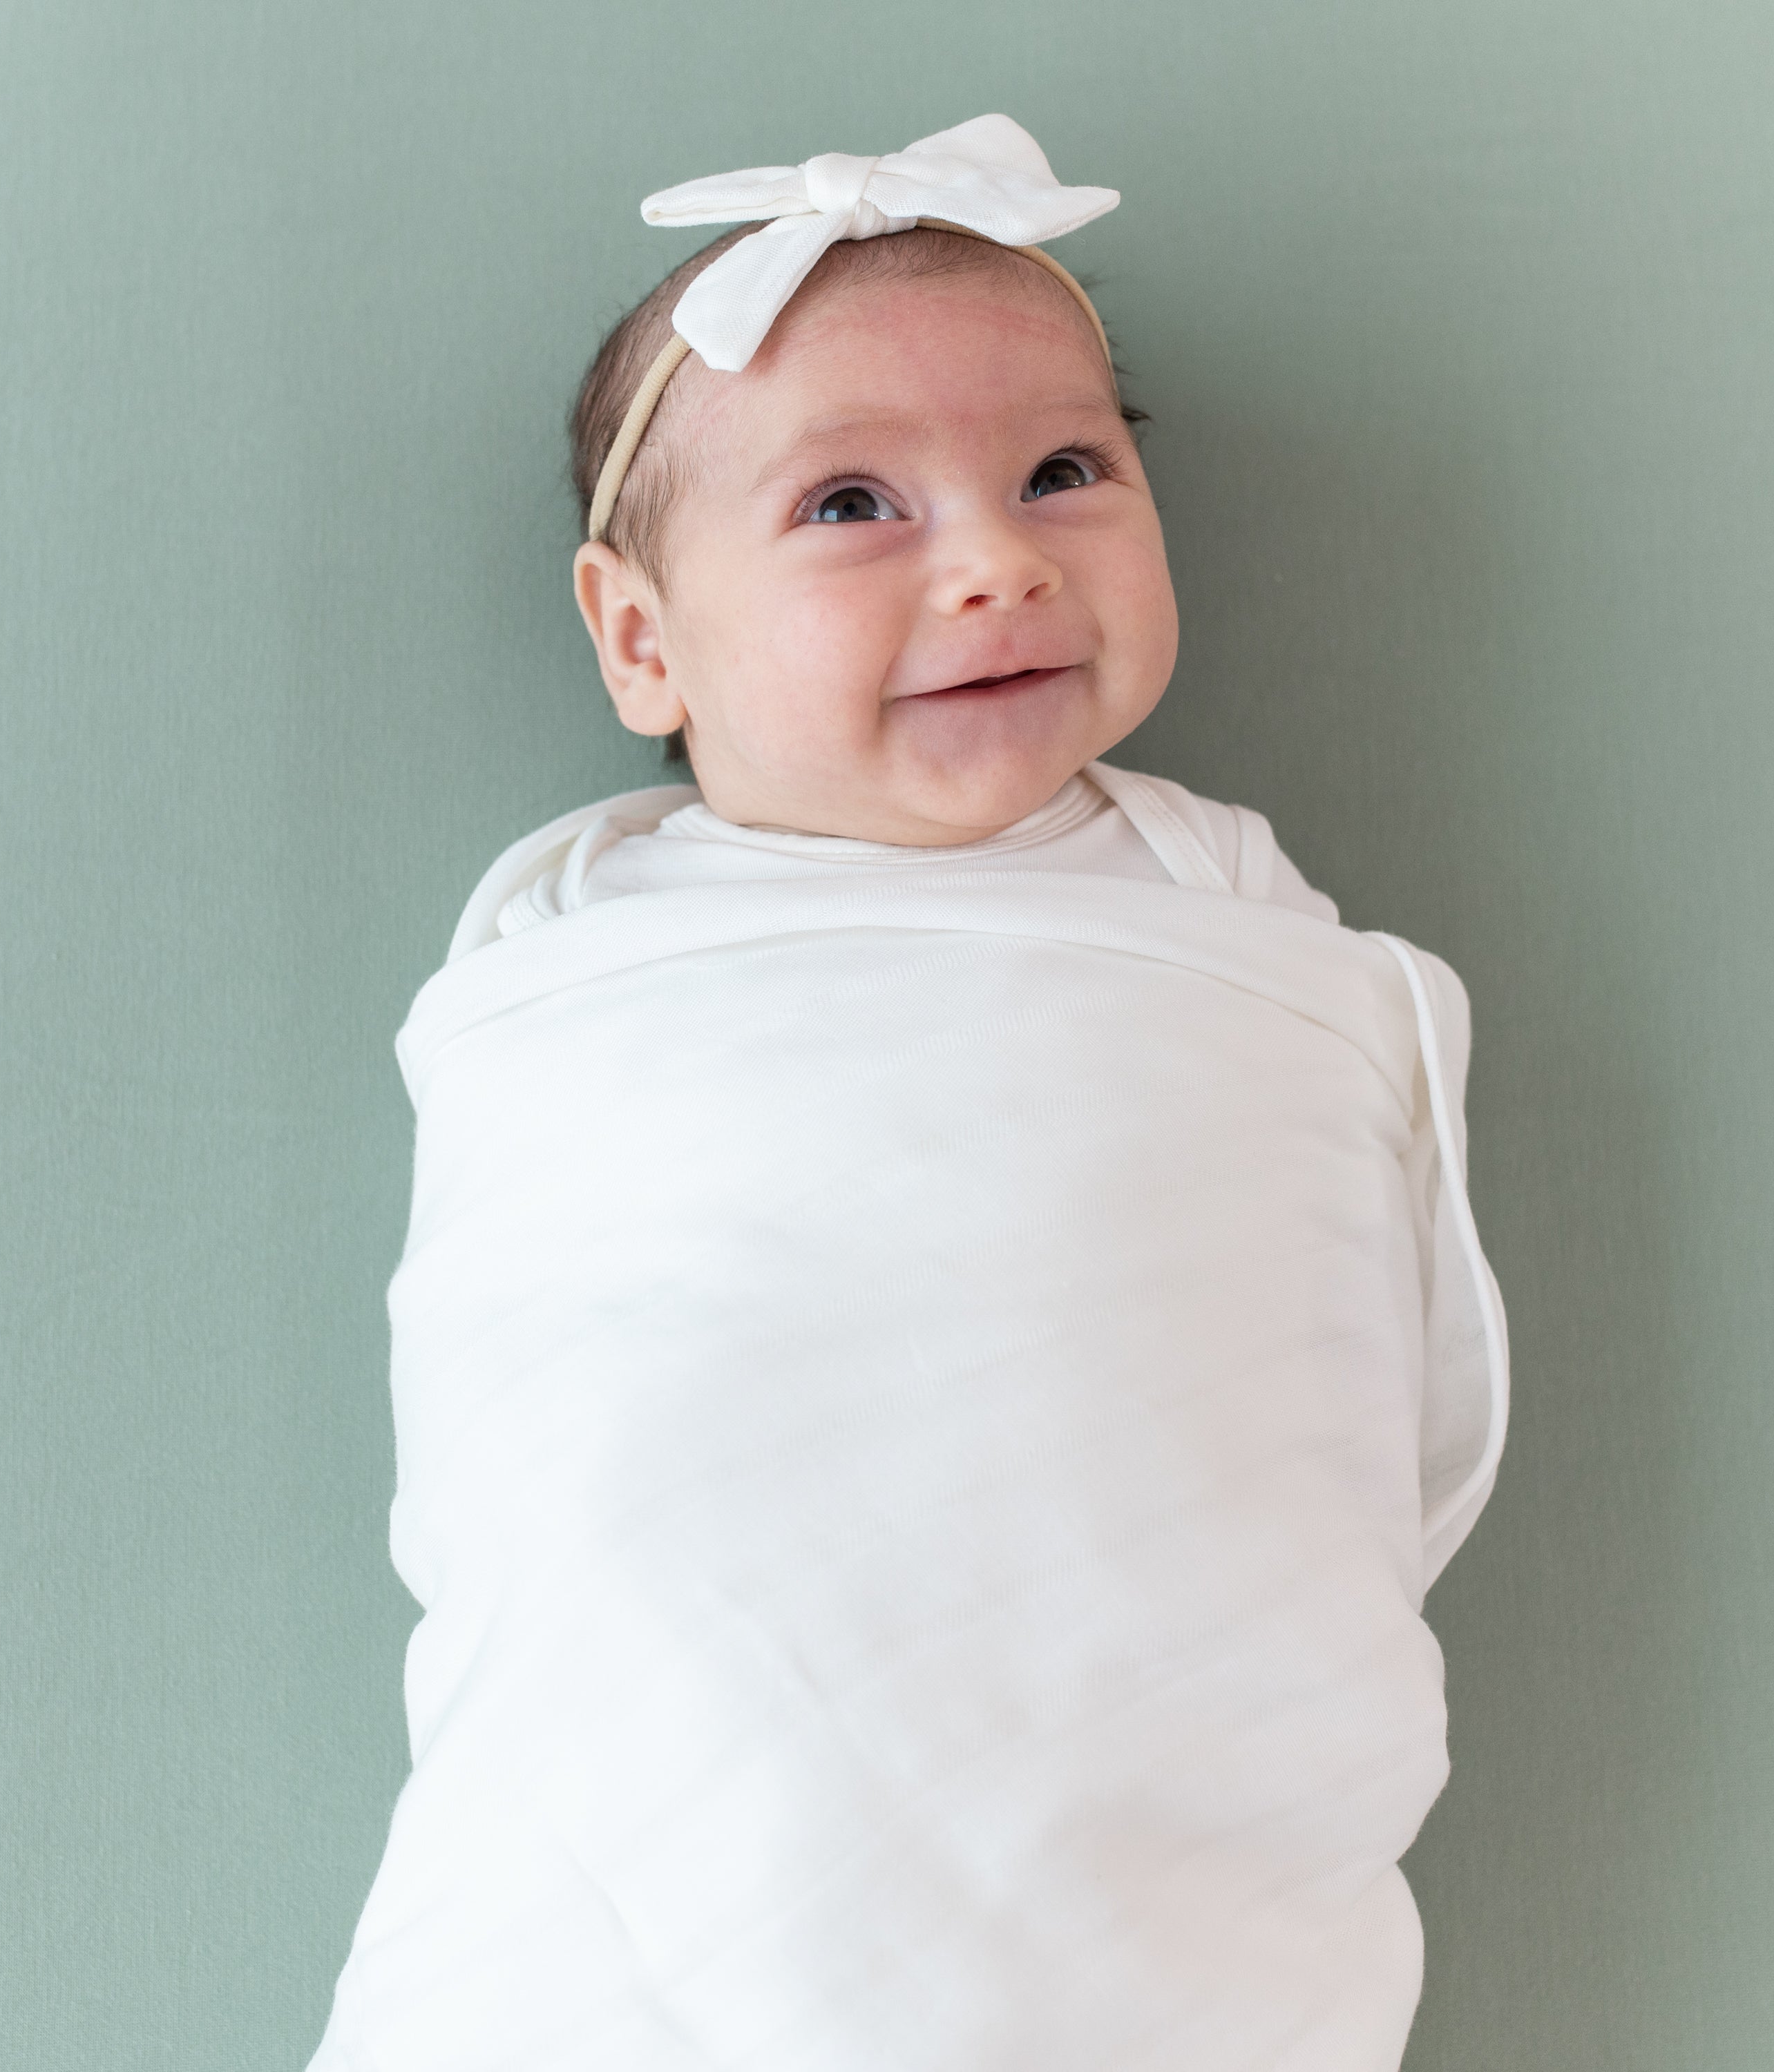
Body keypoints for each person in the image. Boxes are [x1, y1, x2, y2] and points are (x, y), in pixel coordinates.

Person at [308, 115, 1507, 2072]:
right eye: (853, 506)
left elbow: (1298, 1381)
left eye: (1066, 471)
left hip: (1155, 1821)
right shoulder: (573, 963)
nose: (999, 564)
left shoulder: (1227, 913)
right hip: (667, 1835)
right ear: (640, 637)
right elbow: (570, 1438)